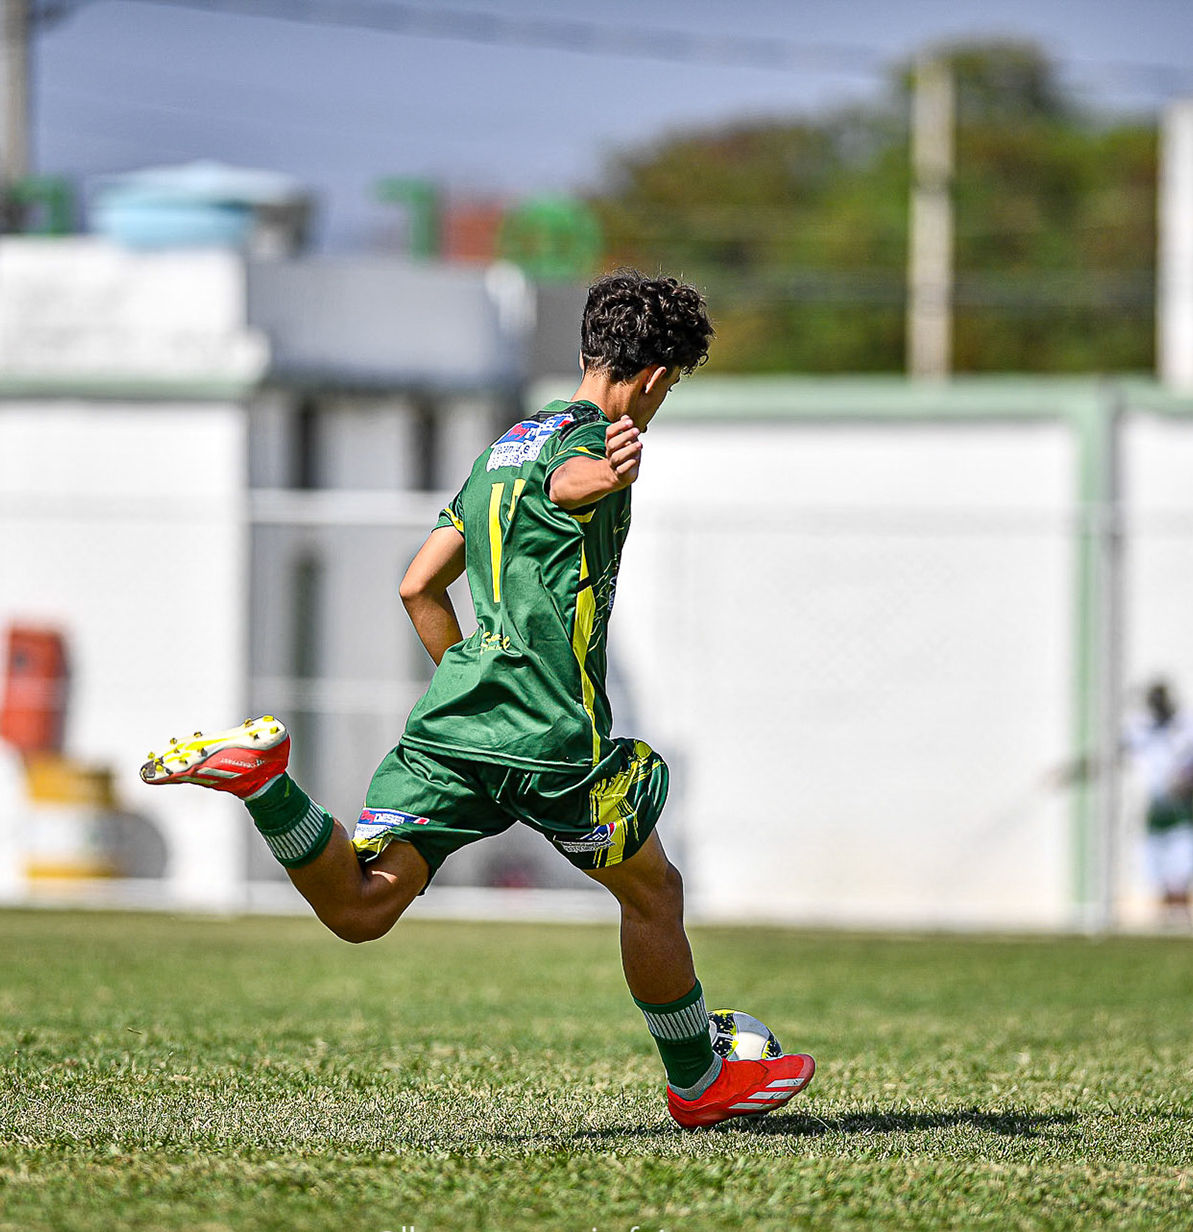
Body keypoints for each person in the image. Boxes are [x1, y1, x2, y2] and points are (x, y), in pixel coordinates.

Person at [138, 270, 814, 1129]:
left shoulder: (502, 450)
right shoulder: (591, 446)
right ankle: (698, 1080)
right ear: (652, 378)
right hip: (547, 735)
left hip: (457, 722)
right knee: (655, 893)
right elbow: (570, 482)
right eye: (669, 387)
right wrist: (609, 474)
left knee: (361, 905)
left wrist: (470, 681)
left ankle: (265, 783)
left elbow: (418, 584)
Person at [1124, 680, 1193, 923]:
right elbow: (1111, 755)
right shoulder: (1140, 729)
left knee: (1181, 879)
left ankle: (1183, 922)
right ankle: (1166, 926)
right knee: (1157, 879)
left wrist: (1192, 780)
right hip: (1154, 814)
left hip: (1182, 813)